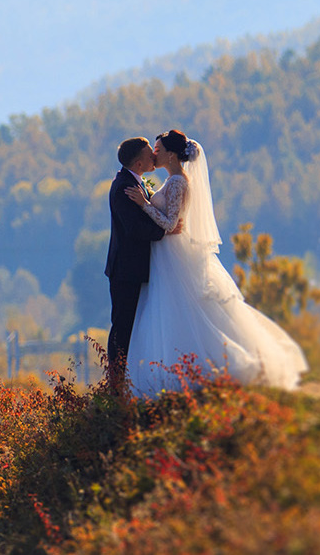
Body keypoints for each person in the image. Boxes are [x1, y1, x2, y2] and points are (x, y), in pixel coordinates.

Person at [118, 129, 308, 395]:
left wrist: (144, 205)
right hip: (165, 254)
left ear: (171, 155)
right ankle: (171, 370)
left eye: (158, 150)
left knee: (179, 309)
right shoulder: (172, 180)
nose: (154, 155)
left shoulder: (177, 182)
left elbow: (170, 224)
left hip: (172, 254)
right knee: (170, 310)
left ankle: (192, 371)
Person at [103, 136, 168, 394]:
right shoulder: (123, 188)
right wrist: (165, 230)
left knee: (134, 325)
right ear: (139, 163)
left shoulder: (135, 183)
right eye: (150, 154)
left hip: (136, 268)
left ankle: (129, 382)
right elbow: (134, 228)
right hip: (126, 271)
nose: (154, 157)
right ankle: (116, 386)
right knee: (122, 326)